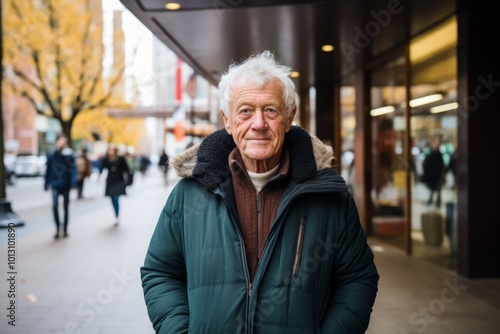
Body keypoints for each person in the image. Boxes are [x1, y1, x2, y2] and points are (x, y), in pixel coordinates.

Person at [140, 51, 379, 333]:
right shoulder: (189, 194)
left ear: (289, 118)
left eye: (270, 110)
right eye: (245, 111)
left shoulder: (329, 196)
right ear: (227, 120)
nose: (258, 124)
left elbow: (357, 279)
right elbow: (161, 273)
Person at [44, 134, 77, 239]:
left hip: (66, 185)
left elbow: (73, 169)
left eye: (65, 141)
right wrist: (46, 183)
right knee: (54, 206)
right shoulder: (51, 155)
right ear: (56, 142)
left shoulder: (69, 155)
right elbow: (48, 170)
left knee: (66, 208)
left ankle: (65, 229)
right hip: (55, 184)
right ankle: (58, 228)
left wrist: (73, 182)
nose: (63, 143)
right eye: (61, 141)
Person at [99, 146, 131, 226]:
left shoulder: (120, 159)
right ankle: (115, 213)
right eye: (109, 149)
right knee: (112, 198)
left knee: (116, 198)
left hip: (119, 180)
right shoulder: (106, 159)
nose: (111, 151)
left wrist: (129, 180)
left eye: (112, 150)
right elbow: (102, 167)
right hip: (110, 181)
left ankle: (117, 216)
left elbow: (126, 169)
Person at [422, 137, 445, 207]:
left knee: (437, 190)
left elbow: (441, 166)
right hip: (434, 175)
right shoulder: (432, 154)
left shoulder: (437, 155)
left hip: (437, 175)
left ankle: (437, 202)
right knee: (433, 189)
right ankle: (433, 201)